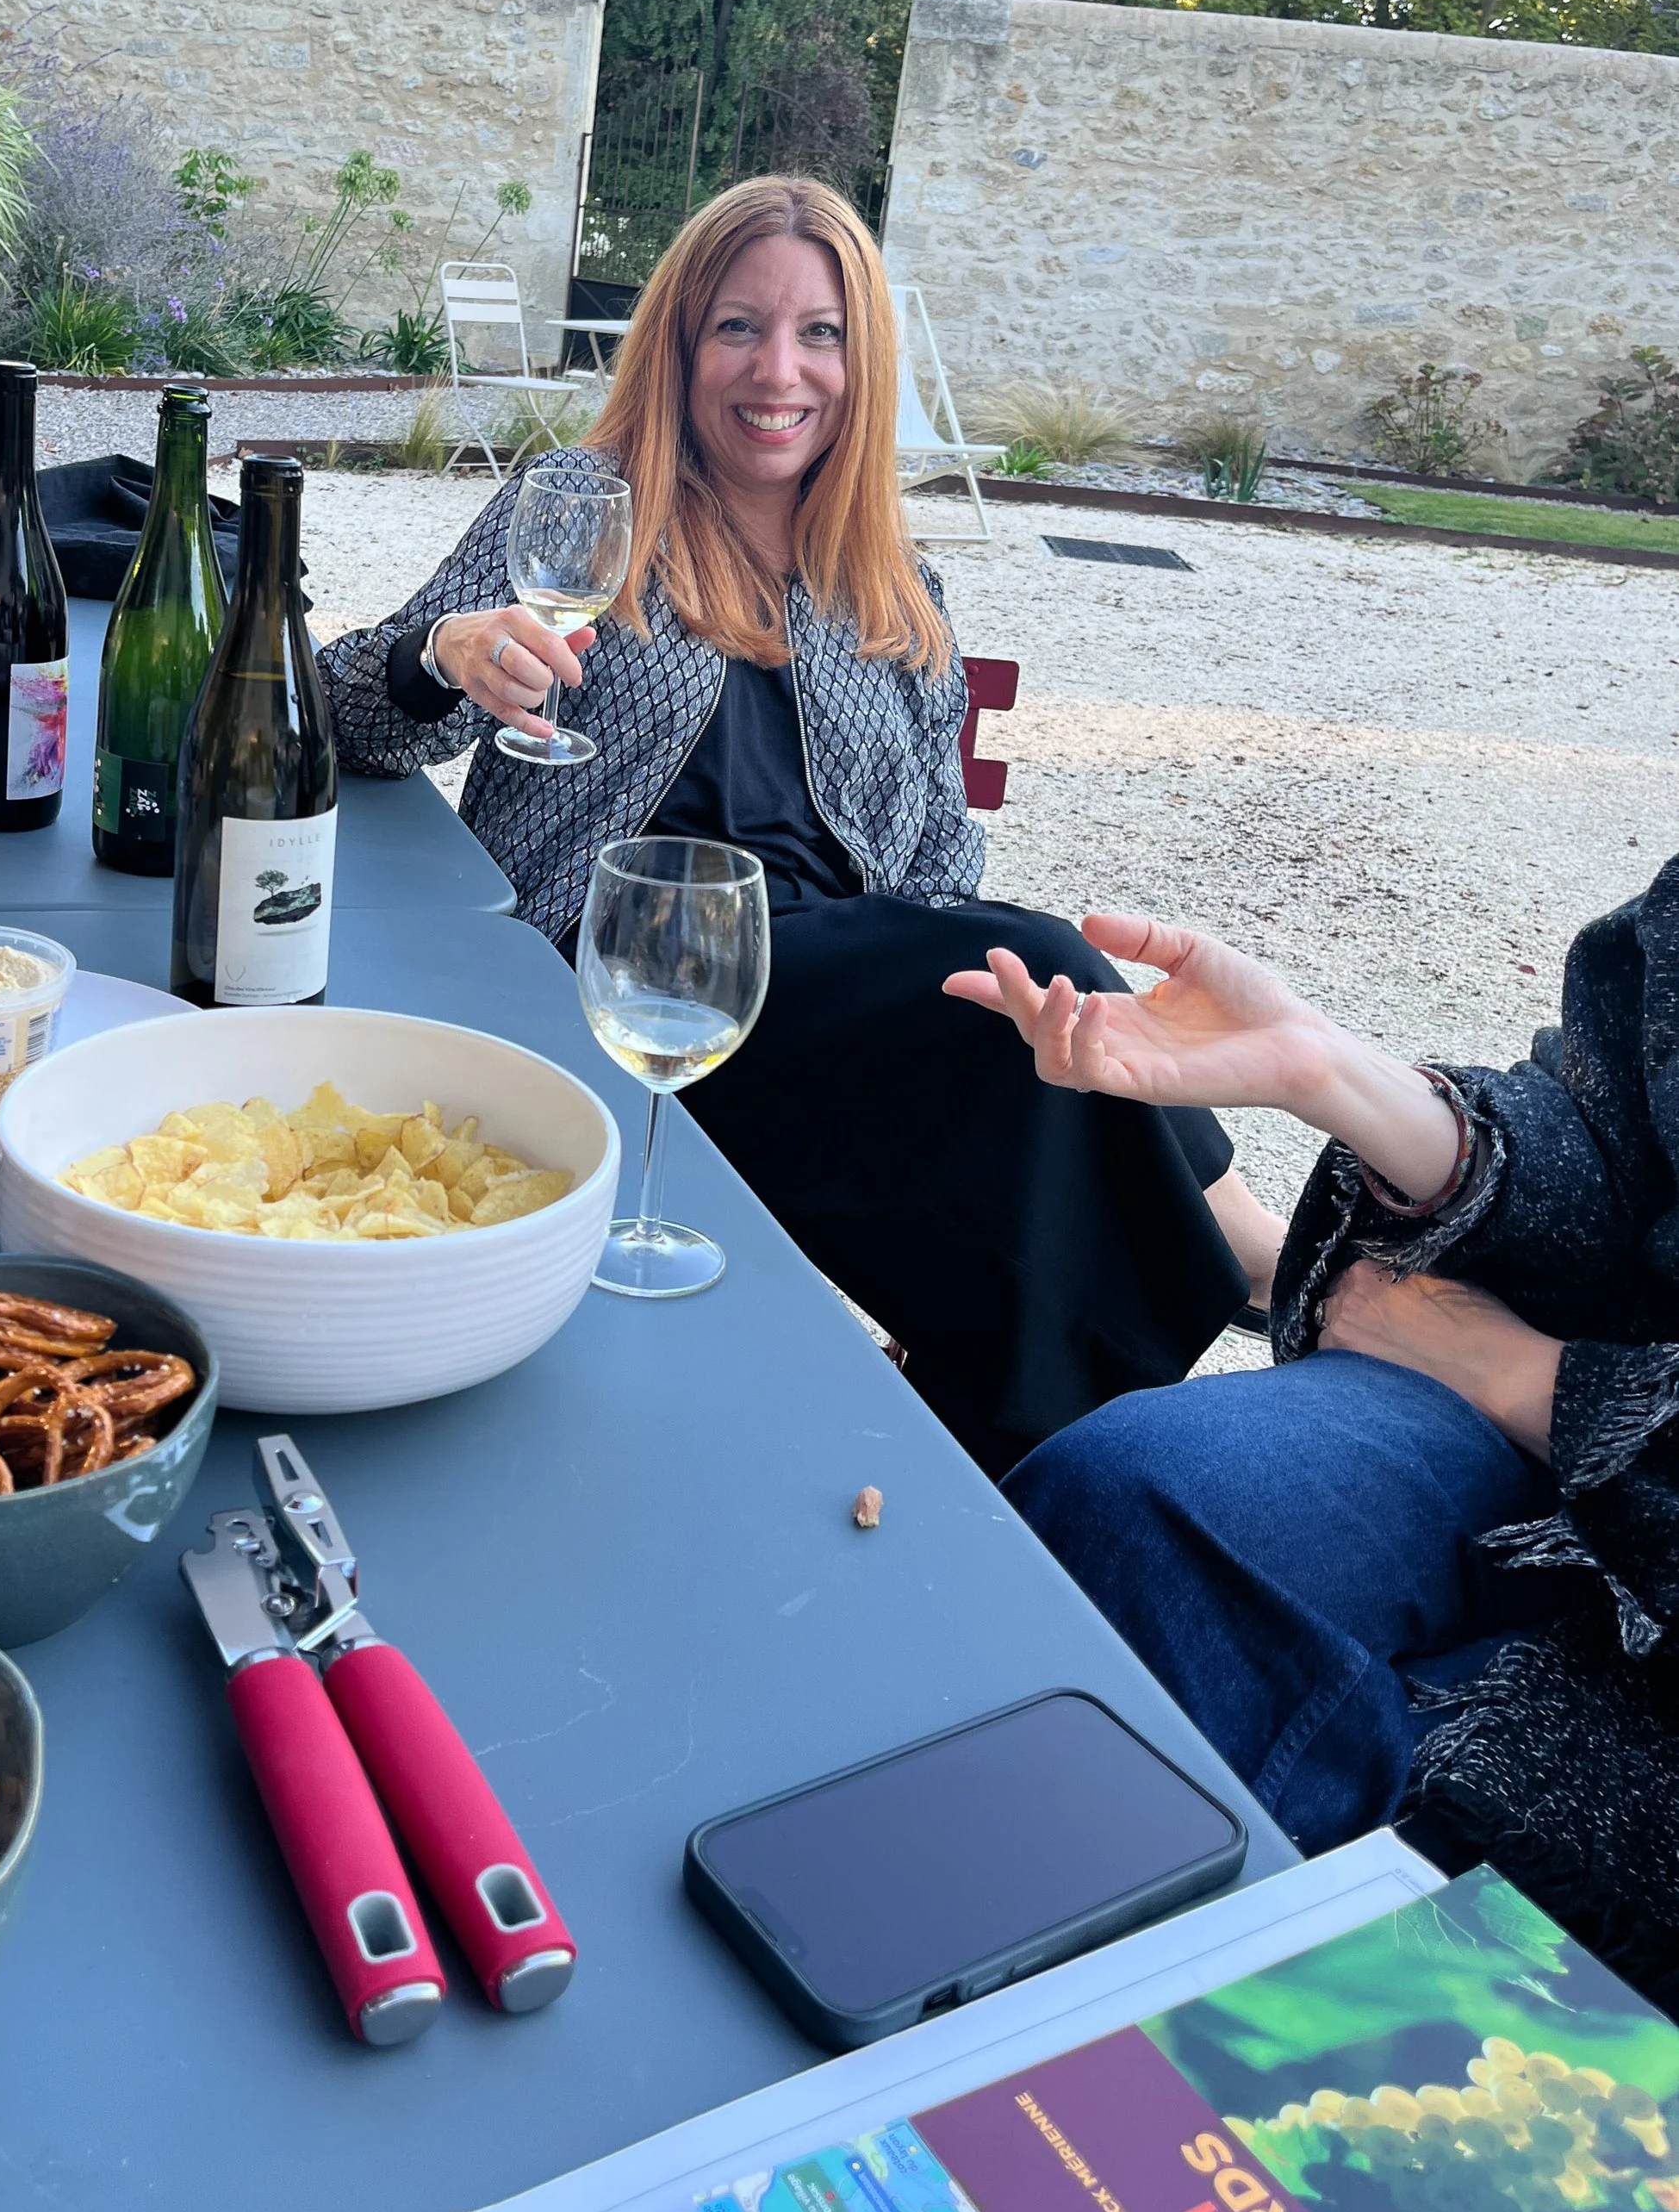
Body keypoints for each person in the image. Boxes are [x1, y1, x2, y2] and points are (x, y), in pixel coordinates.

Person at [320, 175, 1281, 1471]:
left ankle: (1021, 1443)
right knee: (1034, 974)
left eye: (820, 333)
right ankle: (1256, 1272)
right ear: (679, 342)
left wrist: (951, 960)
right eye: (738, 327)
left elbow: (943, 864)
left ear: (862, 358)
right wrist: (447, 653)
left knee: (1020, 1047)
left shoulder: (898, 586)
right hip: (610, 972)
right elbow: (344, 717)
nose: (780, 371)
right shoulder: (589, 507)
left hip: (838, 997)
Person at [948, 880, 1679, 2004]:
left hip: (1604, 1455)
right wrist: (1346, 1083)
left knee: (1471, 1833)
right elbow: (1622, 1131)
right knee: (1141, 1498)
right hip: (1595, 1393)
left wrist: (1529, 1379)